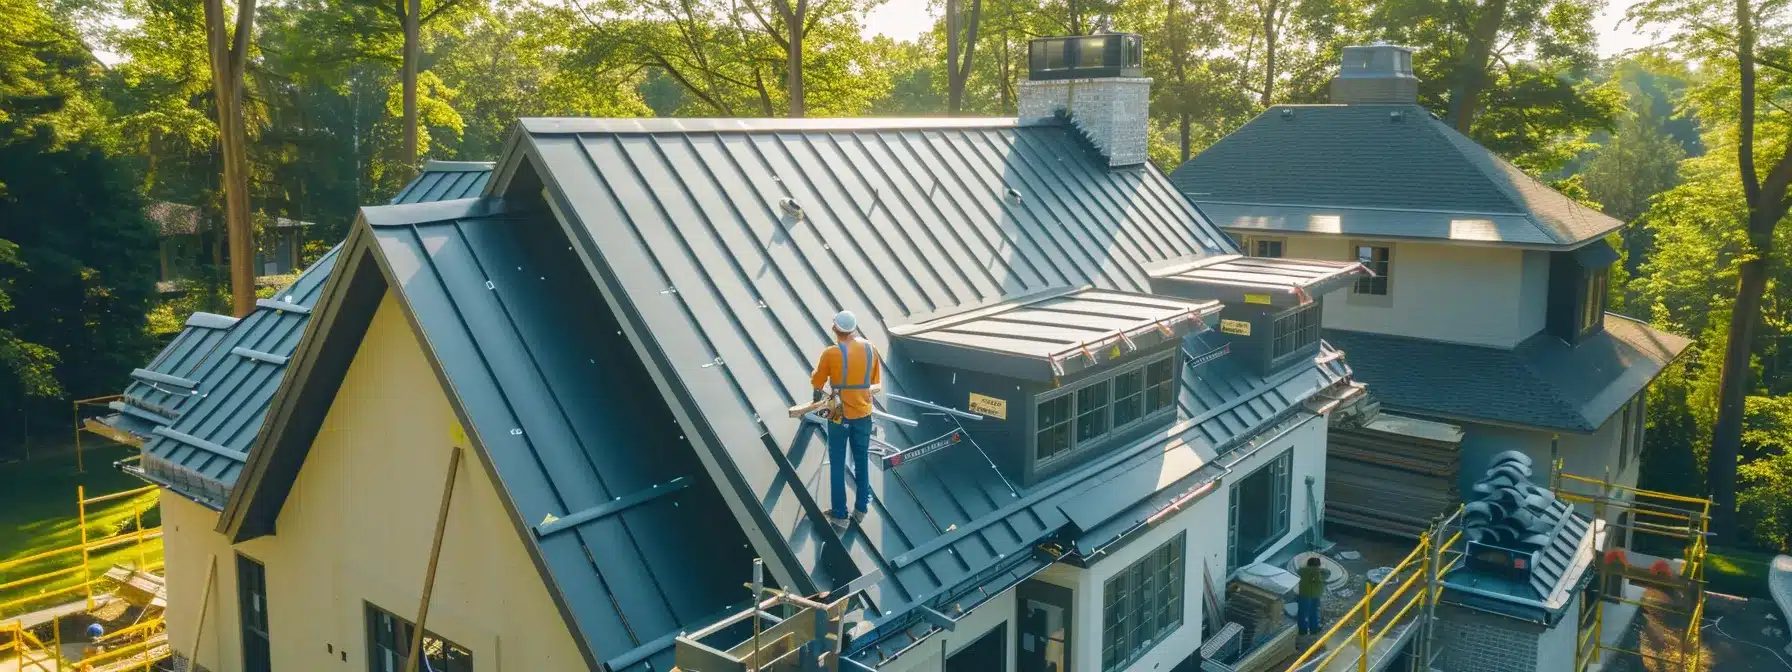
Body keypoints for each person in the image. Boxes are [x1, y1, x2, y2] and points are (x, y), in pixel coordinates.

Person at [811, 310, 881, 530]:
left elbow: (817, 381)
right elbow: (875, 382)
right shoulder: (870, 349)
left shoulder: (831, 353)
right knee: (861, 460)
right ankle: (861, 509)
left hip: (840, 416)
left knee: (838, 463)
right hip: (864, 414)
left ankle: (840, 514)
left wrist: (818, 393)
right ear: (853, 328)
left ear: (835, 329)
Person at [1297, 556, 1325, 635]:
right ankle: (1314, 629)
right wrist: (1319, 569)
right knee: (1314, 612)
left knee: (1302, 613)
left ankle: (1302, 631)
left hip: (1304, 594)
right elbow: (1327, 574)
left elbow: (1299, 570)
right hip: (1315, 595)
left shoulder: (1303, 571)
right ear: (1318, 565)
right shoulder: (1319, 572)